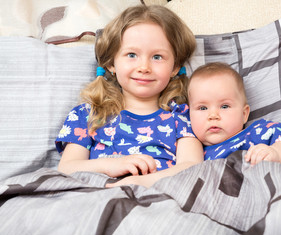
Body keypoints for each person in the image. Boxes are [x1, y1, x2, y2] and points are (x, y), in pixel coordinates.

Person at [55, 5, 203, 188]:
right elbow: (67, 168)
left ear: (174, 67)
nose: (144, 67)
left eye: (157, 57)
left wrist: (141, 181)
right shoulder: (88, 114)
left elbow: (192, 166)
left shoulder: (182, 116)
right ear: (111, 64)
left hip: (158, 196)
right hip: (98, 196)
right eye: (131, 55)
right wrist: (111, 165)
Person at [187, 62, 281, 165]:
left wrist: (276, 154)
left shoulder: (259, 132)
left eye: (224, 106)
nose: (213, 115)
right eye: (202, 108)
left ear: (244, 114)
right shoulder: (192, 155)